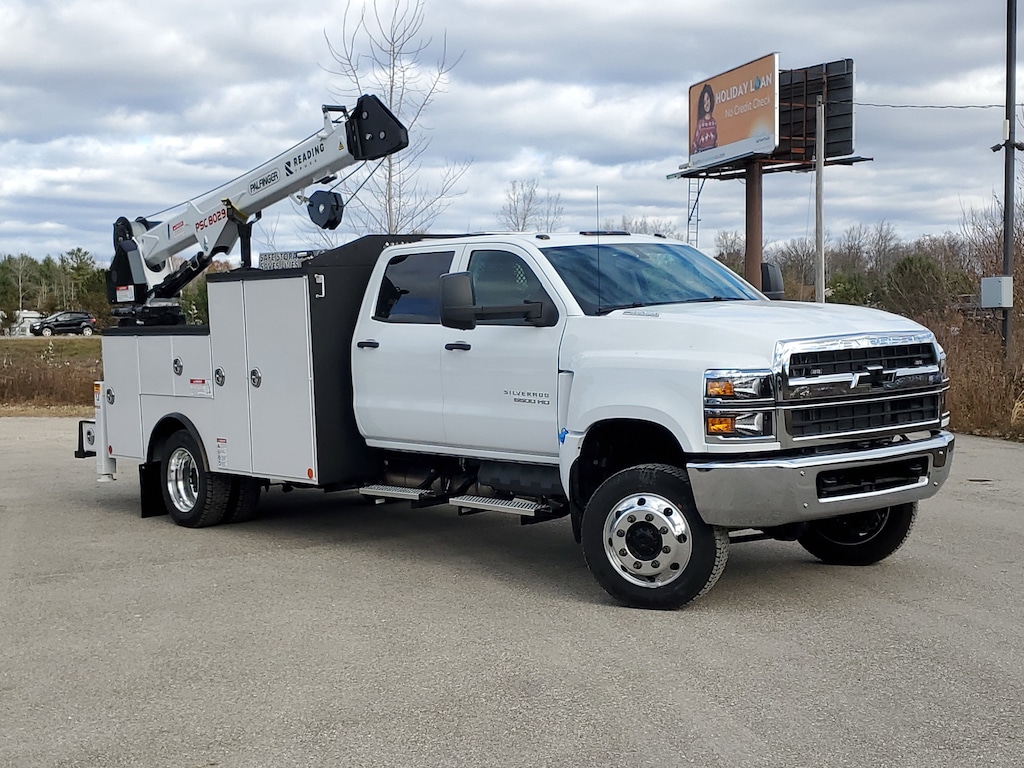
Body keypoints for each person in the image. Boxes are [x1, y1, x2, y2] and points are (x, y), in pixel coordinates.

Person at [691, 83, 718, 154]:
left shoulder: (713, 122)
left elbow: (716, 143)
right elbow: (694, 144)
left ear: (711, 99)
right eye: (704, 102)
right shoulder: (701, 124)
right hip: (703, 156)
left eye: (708, 99)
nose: (706, 104)